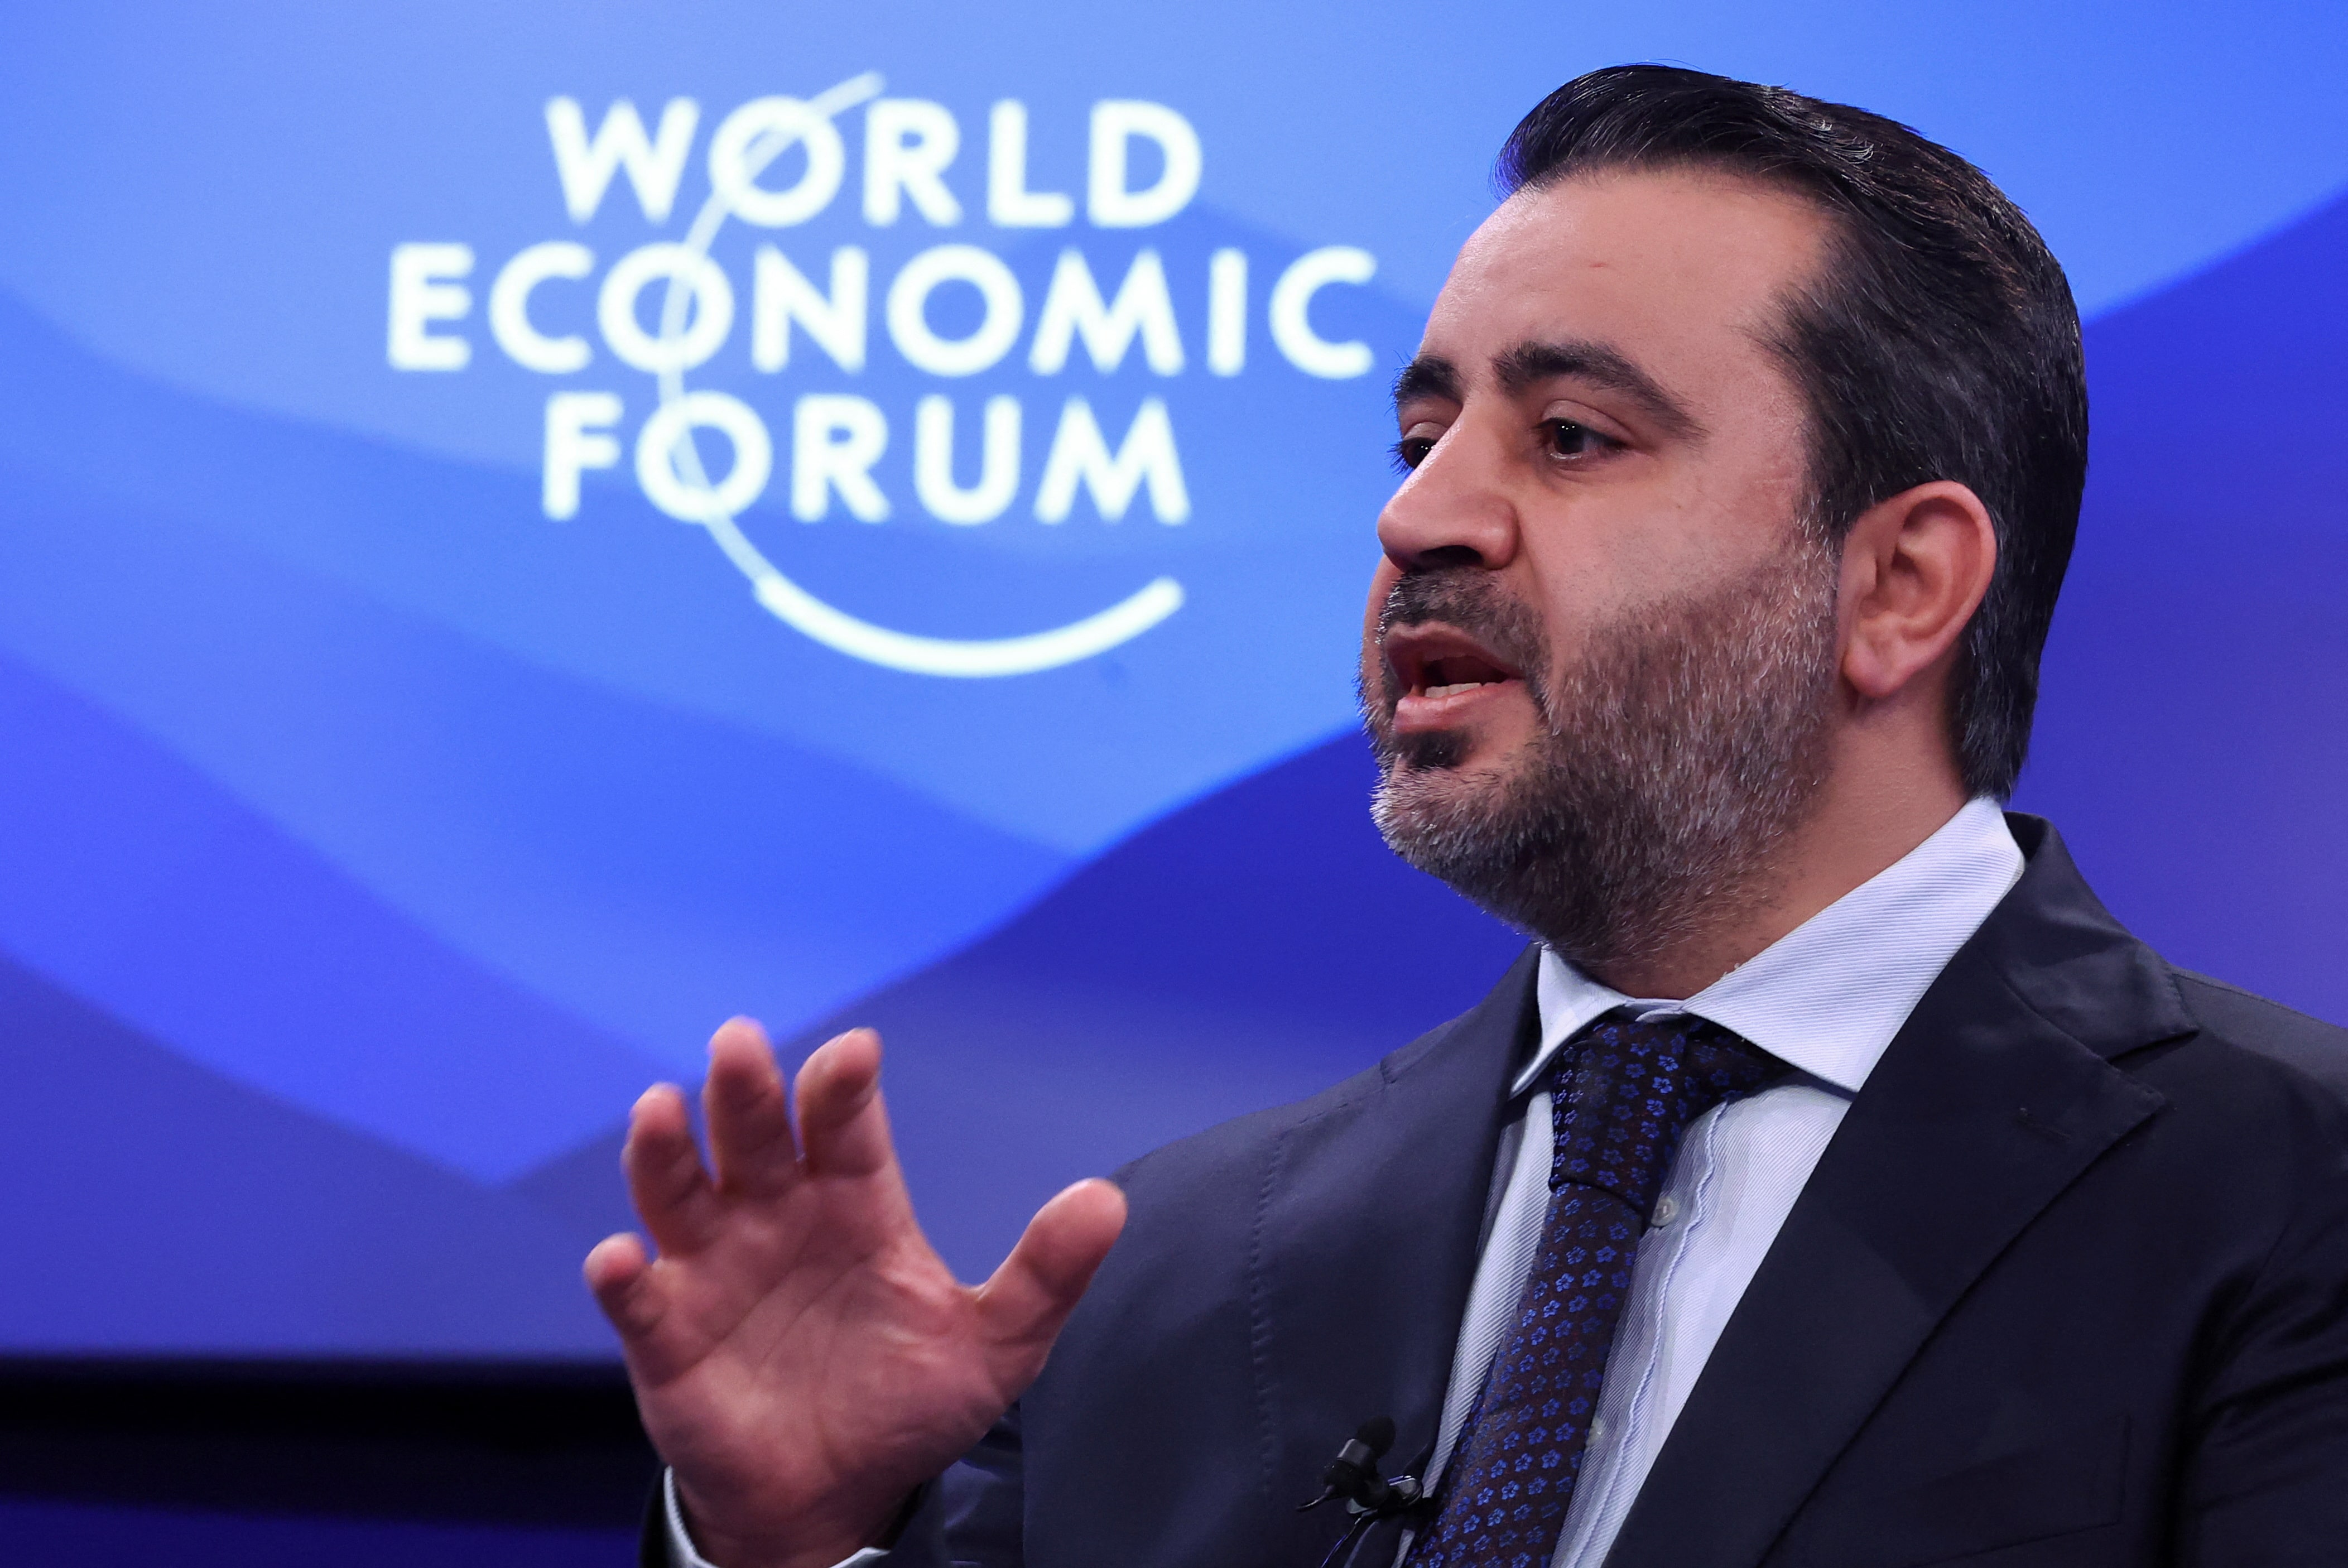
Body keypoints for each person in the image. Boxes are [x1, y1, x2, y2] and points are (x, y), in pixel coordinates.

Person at [584, 65, 2348, 1568]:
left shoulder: (2286, 1193)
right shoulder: (1155, 1269)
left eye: (1571, 436)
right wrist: (789, 1543)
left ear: (1900, 583)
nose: (1422, 517)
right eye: (1420, 436)